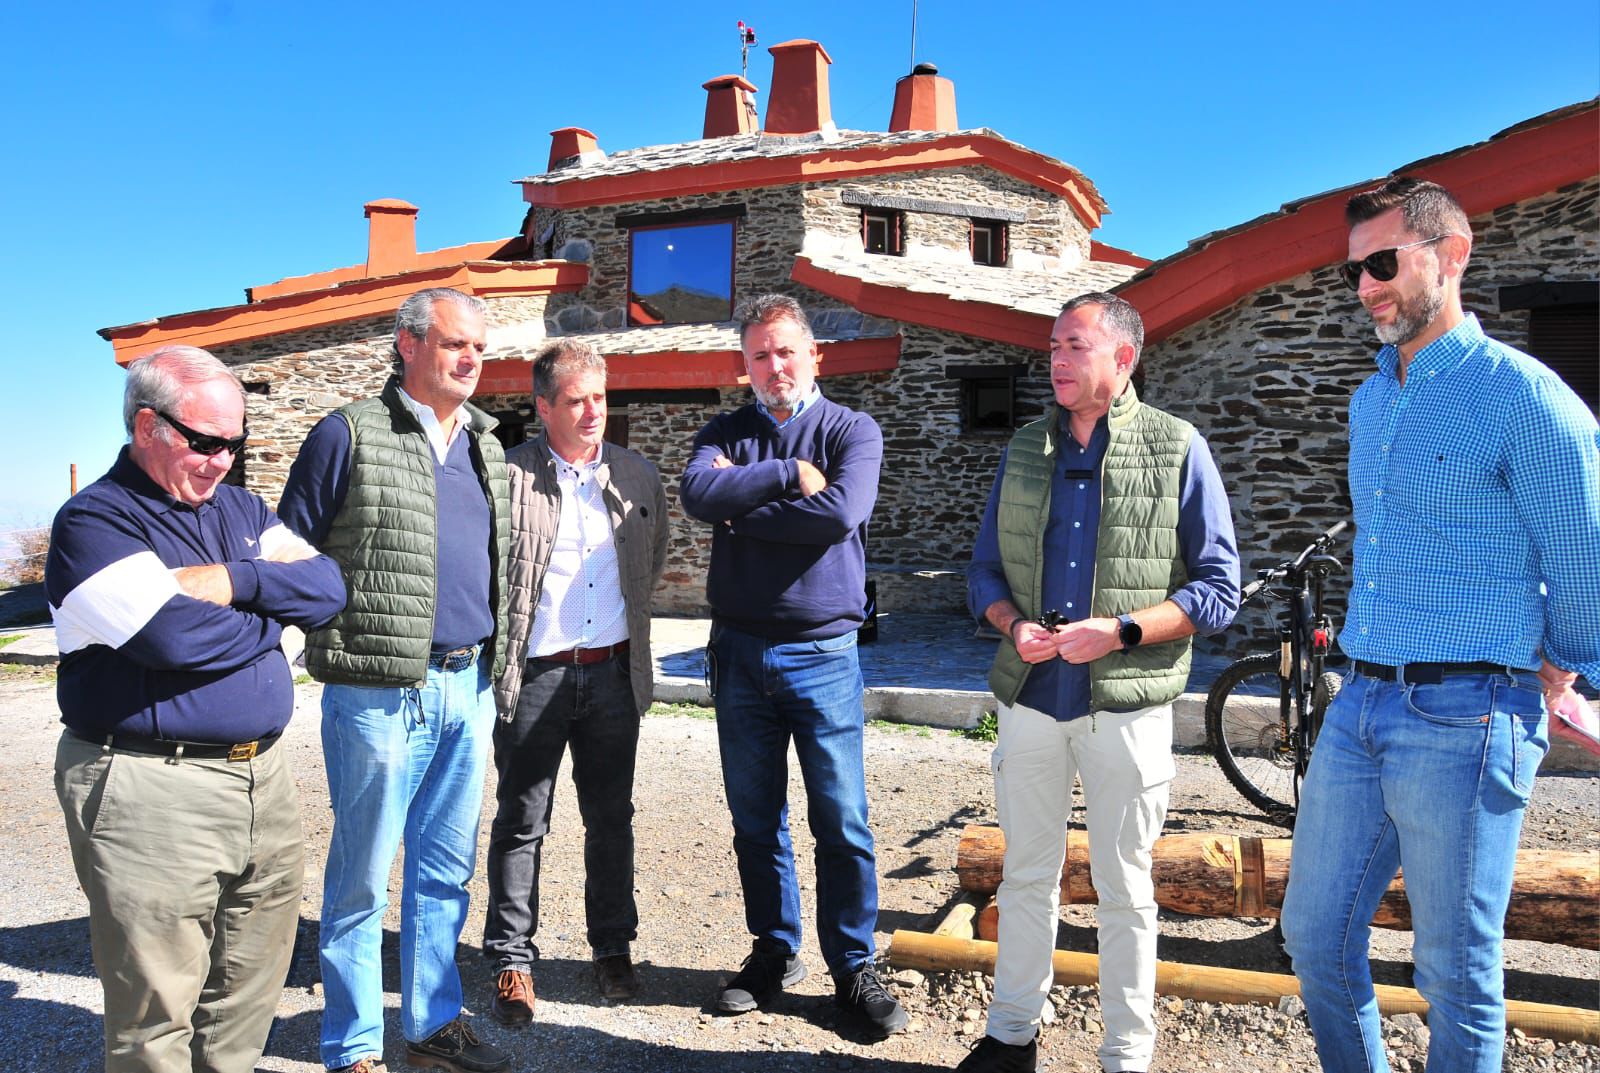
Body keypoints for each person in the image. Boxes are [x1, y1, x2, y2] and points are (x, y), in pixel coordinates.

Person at [1281, 177, 1600, 1073]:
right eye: (1354, 272)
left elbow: (1586, 559)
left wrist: (1563, 663)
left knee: (1455, 970)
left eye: (1382, 263)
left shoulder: (1528, 399)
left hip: (1470, 715)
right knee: (1311, 935)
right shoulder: (1370, 401)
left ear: (1451, 255)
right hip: (1361, 703)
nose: (1364, 288)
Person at [960, 292, 1240, 1073]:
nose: (1056, 359)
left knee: (1124, 887)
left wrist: (1117, 631)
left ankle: (1126, 1055)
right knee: (1024, 877)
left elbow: (1219, 588)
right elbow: (982, 569)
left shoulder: (1178, 446)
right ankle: (1011, 1036)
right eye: (1052, 346)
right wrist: (1013, 624)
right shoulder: (1021, 448)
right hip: (1032, 700)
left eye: (1074, 346)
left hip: (1130, 704)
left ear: (1124, 359)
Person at [47, 345, 345, 1073]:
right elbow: (175, 638)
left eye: (235, 442)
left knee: (247, 989)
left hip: (261, 781)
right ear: (147, 425)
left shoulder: (239, 509)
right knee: (155, 1013)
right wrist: (273, 609)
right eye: (206, 441)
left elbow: (330, 586)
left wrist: (230, 579)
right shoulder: (95, 522)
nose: (222, 460)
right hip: (151, 789)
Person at [278, 287, 512, 1073]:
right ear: (408, 345)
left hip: (466, 686)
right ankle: (351, 1046)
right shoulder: (347, 432)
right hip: (378, 693)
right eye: (455, 343)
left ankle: (433, 1019)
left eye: (479, 345)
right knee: (360, 881)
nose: (472, 357)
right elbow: (289, 556)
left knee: (445, 873)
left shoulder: (488, 443)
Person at [678, 293, 907, 1037]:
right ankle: (775, 950)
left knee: (841, 817)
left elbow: (840, 514)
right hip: (738, 652)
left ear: (815, 355)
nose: (773, 366)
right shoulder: (724, 429)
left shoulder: (853, 429)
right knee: (756, 819)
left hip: (823, 654)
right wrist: (784, 476)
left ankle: (852, 963)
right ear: (744, 366)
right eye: (759, 355)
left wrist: (742, 511)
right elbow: (696, 492)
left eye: (785, 351)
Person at [481, 339, 668, 1021]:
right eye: (576, 400)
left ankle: (612, 948)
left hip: (613, 673)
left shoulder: (637, 475)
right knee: (522, 818)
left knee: (611, 819)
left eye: (600, 396)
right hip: (535, 676)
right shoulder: (508, 476)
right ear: (543, 406)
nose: (593, 412)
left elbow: (652, 559)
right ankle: (509, 957)